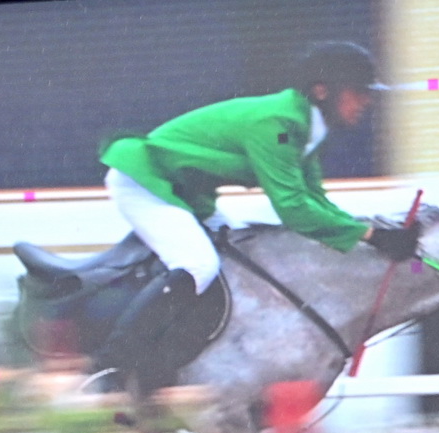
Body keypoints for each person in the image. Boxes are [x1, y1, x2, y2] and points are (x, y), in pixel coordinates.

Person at [91, 41, 421, 391]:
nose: (366, 101)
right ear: (322, 91)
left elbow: (316, 201)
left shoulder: (307, 130)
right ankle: (110, 367)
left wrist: (373, 236)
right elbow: (293, 208)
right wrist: (370, 236)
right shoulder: (278, 125)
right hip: (143, 180)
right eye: (358, 91)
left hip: (183, 192)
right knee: (199, 266)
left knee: (242, 258)